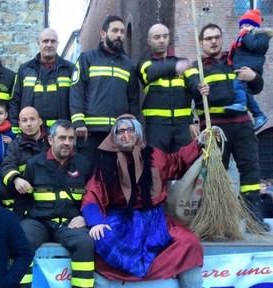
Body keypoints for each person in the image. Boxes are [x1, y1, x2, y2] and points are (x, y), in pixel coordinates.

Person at [81, 115, 220, 288]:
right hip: (121, 220)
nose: (126, 136)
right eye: (120, 132)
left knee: (189, 242)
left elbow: (177, 162)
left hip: (155, 219)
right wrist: (96, 221)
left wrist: (200, 142)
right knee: (100, 241)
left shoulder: (155, 155)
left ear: (138, 133)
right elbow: (92, 195)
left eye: (130, 131)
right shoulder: (104, 162)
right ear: (114, 136)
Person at [13, 120, 103, 288]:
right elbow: (22, 198)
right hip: (38, 221)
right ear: (50, 139)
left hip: (70, 222)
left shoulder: (83, 163)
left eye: (71, 138)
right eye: (62, 138)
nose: (67, 142)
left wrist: (85, 217)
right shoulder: (34, 163)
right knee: (20, 242)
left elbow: (92, 196)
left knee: (85, 244)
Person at [189, 23, 270, 231]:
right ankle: (217, 222)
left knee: (251, 171)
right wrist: (199, 93)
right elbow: (188, 93)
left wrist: (254, 77)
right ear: (201, 43)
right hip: (215, 129)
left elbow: (256, 88)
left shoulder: (235, 58)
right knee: (216, 175)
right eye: (208, 38)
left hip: (242, 125)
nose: (213, 41)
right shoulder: (196, 66)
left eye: (217, 37)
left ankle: (253, 219)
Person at [70, 15, 140, 162]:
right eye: (115, 30)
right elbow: (77, 91)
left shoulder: (129, 65)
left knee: (115, 179)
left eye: (121, 32)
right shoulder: (87, 58)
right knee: (89, 178)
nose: (119, 35)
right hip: (90, 133)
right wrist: (78, 122)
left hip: (118, 133)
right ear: (103, 34)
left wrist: (133, 129)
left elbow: (133, 100)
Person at [137, 24, 202, 153]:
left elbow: (194, 84)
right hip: (156, 127)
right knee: (157, 167)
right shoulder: (144, 64)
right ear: (149, 41)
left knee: (184, 167)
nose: (162, 40)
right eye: (157, 37)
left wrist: (201, 88)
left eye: (165, 36)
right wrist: (175, 67)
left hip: (182, 127)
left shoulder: (183, 62)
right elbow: (150, 73)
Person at [9, 28, 75, 133]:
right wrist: (15, 129)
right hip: (31, 133)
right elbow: (15, 100)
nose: (49, 45)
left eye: (53, 41)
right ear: (38, 43)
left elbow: (76, 100)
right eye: (45, 41)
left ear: (58, 44)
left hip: (60, 133)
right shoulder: (25, 69)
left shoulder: (69, 69)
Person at [226, 9, 272, 130]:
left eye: (248, 25)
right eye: (242, 26)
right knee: (247, 93)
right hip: (243, 66)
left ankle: (240, 104)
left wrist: (245, 34)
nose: (244, 28)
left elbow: (255, 46)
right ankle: (259, 115)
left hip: (250, 67)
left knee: (238, 85)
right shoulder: (243, 38)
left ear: (255, 26)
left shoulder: (261, 36)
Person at [0, 106, 49, 215]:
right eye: (24, 120)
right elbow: (6, 166)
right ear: (19, 124)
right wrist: (16, 179)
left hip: (51, 198)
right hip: (27, 199)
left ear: (40, 121)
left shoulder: (52, 142)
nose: (28, 124)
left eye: (32, 119)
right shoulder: (14, 145)